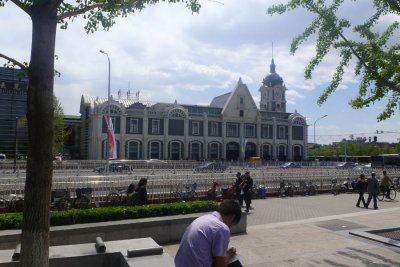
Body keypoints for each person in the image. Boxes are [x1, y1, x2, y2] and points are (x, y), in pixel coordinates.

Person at [175, 200, 243, 267]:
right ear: (232, 217)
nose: (229, 228)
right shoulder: (222, 228)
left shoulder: (204, 218)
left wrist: (226, 254)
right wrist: (228, 256)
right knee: (235, 263)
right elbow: (220, 265)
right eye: (232, 225)